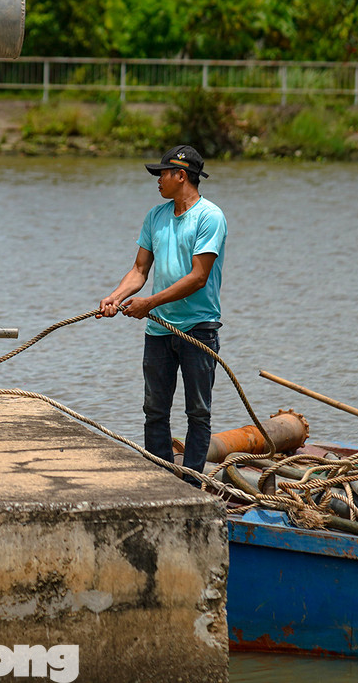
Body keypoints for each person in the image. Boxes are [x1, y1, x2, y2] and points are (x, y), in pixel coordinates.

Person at [99, 145, 227, 483]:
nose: (157, 180)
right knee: (154, 411)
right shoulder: (155, 216)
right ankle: (162, 480)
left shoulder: (209, 217)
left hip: (198, 329)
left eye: (163, 174)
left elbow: (199, 277)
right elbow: (140, 270)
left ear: (181, 176)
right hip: (159, 332)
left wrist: (149, 304)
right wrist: (115, 297)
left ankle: (192, 482)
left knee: (198, 413)